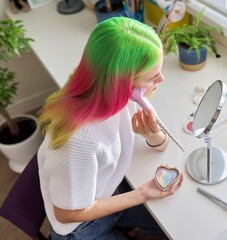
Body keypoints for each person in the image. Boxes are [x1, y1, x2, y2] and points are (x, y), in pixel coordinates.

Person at [37, 17, 183, 240]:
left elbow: (162, 146)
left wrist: (153, 134)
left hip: (110, 190)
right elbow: (66, 213)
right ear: (124, 82)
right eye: (153, 77)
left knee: (173, 224)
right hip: (81, 226)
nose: (161, 79)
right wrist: (141, 194)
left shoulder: (115, 95)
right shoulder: (78, 141)